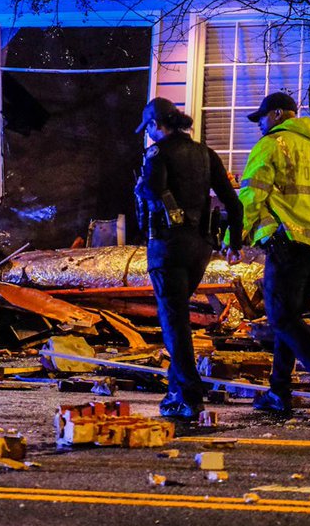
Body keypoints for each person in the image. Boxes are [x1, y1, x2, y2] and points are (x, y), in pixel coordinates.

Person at [227, 91, 310, 413]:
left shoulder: (272, 145)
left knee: (281, 316)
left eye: (263, 118)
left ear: (281, 114)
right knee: (288, 319)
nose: (260, 126)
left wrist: (233, 237)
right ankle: (278, 391)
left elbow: (251, 196)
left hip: (286, 242)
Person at [135, 97, 243, 421]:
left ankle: (190, 395)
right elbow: (234, 205)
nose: (148, 135)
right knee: (178, 322)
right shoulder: (206, 155)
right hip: (201, 248)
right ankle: (175, 392)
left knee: (174, 323)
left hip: (167, 247)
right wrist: (233, 243)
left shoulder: (157, 154)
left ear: (157, 125)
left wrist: (141, 186)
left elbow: (151, 191)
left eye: (149, 128)